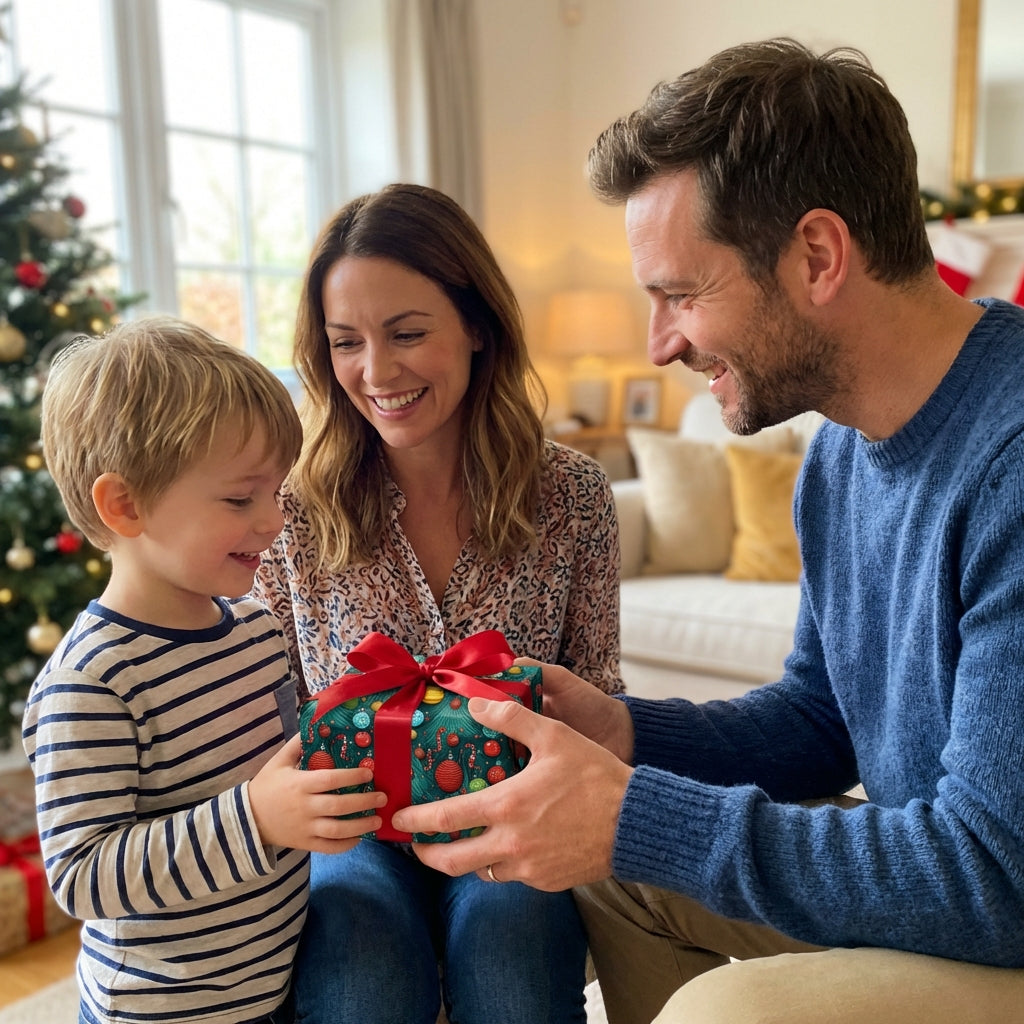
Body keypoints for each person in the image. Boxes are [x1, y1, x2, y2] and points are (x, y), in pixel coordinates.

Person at [389, 37, 1024, 1024]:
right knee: (617, 875)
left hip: (1000, 907)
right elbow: (822, 718)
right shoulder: (842, 455)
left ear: (817, 255)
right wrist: (626, 734)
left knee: (721, 1006)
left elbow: (992, 876)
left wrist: (632, 812)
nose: (661, 343)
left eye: (681, 294)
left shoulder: (1012, 457)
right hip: (958, 877)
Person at [251, 182, 623, 1024]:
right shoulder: (294, 509)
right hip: (350, 825)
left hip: (515, 817)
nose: (376, 373)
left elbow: (602, 698)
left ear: (477, 325)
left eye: (408, 333)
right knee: (360, 958)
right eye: (346, 342)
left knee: (513, 947)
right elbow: (273, 707)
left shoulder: (571, 495)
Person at [22, 317, 385, 1024]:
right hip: (160, 1011)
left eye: (276, 494)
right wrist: (256, 818)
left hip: (268, 984)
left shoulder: (254, 629)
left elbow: (275, 763)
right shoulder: (92, 681)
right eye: (240, 499)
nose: (273, 522)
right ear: (124, 505)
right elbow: (82, 875)